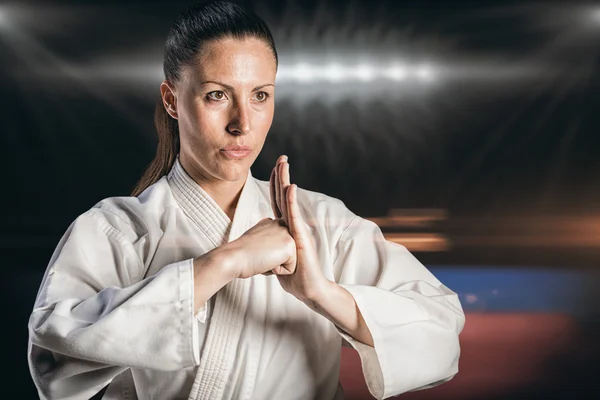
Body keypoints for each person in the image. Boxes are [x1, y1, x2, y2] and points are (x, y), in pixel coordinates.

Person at [27, 1, 465, 399]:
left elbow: (441, 333)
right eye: (217, 95)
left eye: (260, 96)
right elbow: (53, 360)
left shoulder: (322, 224)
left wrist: (321, 293)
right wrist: (223, 262)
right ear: (172, 99)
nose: (242, 124)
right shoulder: (118, 229)